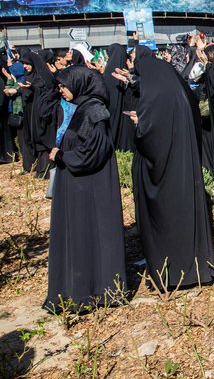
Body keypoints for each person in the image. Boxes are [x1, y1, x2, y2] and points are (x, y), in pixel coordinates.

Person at [131, 46, 214, 290]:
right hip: (185, 169)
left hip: (165, 175)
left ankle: (173, 272)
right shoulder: (177, 90)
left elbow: (150, 137)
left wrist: (140, 124)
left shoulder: (154, 97)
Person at [44, 66, 127, 312]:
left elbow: (93, 152)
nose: (61, 90)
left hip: (89, 189)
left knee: (89, 235)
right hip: (80, 188)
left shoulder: (95, 112)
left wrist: (62, 156)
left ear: (79, 83)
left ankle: (92, 290)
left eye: (64, 85)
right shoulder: (84, 108)